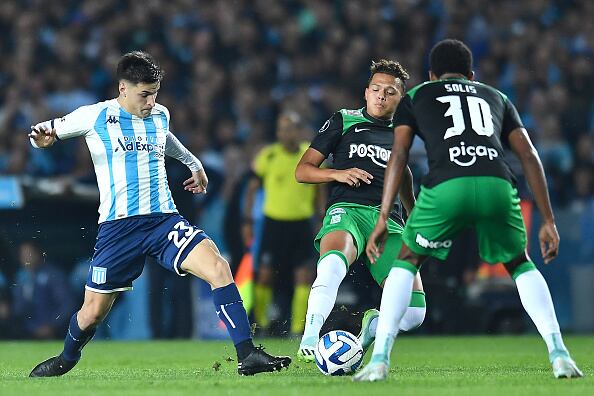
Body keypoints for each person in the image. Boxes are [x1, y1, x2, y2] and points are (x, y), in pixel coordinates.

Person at [27, 51, 290, 377]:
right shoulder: (93, 116)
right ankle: (67, 358)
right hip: (118, 228)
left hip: (164, 220)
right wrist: (40, 141)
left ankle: (247, 354)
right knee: (92, 313)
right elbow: (45, 131)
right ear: (123, 89)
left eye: (155, 93)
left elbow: (164, 139)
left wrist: (193, 163)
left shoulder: (160, 114)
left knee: (219, 267)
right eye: (144, 94)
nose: (151, 101)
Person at [357, 39, 583, 381]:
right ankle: (559, 354)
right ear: (471, 74)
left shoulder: (417, 95)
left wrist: (385, 215)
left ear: (432, 74)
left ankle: (380, 360)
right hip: (497, 183)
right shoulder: (496, 96)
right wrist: (548, 219)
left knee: (407, 259)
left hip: (447, 185)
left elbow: (399, 156)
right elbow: (529, 155)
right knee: (520, 262)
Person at [294, 59, 426, 362]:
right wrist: (336, 174)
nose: (381, 96)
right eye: (376, 89)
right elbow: (302, 171)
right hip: (348, 210)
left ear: (400, 99)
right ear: (366, 92)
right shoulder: (344, 120)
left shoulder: (402, 133)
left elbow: (403, 175)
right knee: (331, 266)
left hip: (388, 219)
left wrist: (416, 220)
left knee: (415, 312)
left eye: (390, 92)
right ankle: (311, 335)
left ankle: (370, 330)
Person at [242, 111, 323, 337]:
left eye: (290, 128)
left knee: (304, 275)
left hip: (301, 224)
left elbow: (320, 189)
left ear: (299, 131)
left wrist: (321, 217)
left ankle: (298, 329)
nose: (285, 133)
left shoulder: (311, 154)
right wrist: (247, 220)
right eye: (281, 129)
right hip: (273, 223)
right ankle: (261, 325)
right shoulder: (268, 156)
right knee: (265, 274)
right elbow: (251, 189)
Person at [12, 240, 75, 339]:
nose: (25, 258)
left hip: (54, 331)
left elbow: (67, 305)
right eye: (22, 254)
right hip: (28, 331)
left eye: (29, 253)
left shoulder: (54, 275)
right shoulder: (20, 277)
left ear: (39, 253)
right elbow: (18, 308)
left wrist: (52, 325)